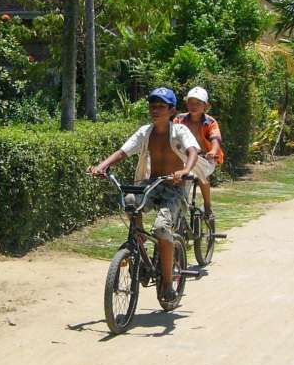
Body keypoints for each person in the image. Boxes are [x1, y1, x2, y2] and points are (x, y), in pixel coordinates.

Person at [88, 87, 199, 303]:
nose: (155, 110)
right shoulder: (145, 132)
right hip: (153, 183)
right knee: (129, 200)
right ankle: (137, 246)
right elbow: (123, 151)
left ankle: (167, 283)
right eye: (152, 106)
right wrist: (101, 166)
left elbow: (192, 151)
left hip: (174, 187)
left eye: (161, 106)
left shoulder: (179, 131)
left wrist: (185, 170)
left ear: (172, 110)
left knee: (160, 228)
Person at [174, 86, 224, 220]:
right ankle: (180, 205)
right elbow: (171, 137)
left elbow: (215, 139)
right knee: (178, 178)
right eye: (191, 102)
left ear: (205, 106)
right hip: (184, 159)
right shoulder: (179, 120)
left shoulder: (210, 122)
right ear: (186, 103)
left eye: (198, 103)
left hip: (205, 159)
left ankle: (207, 206)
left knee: (202, 176)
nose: (193, 106)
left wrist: (212, 152)